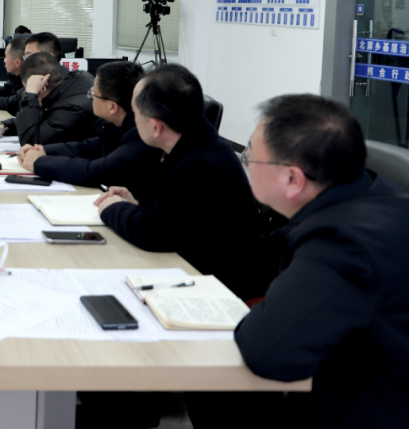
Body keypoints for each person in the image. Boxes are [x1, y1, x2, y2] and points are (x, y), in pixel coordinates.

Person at [235, 94, 409, 428]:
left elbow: (266, 350)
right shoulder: (373, 194)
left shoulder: (343, 245)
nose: (246, 163)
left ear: (292, 180)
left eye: (250, 156)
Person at [94, 64, 265, 300]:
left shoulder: (200, 164)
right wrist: (138, 204)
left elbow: (153, 232)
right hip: (196, 267)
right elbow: (177, 212)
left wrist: (111, 208)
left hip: (216, 290)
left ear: (155, 127)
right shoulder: (198, 142)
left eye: (135, 113)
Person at [16, 60, 162, 202]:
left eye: (94, 92)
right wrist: (43, 150)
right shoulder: (120, 125)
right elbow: (89, 147)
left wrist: (39, 162)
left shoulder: (141, 135)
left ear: (112, 107)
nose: (90, 96)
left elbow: (95, 171)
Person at [0, 52, 97, 147]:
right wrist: (5, 127)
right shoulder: (74, 80)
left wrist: (31, 95)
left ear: (42, 86)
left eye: (27, 87)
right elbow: (42, 118)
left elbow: (30, 142)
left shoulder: (71, 109)